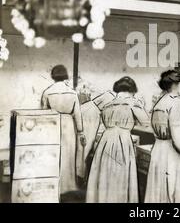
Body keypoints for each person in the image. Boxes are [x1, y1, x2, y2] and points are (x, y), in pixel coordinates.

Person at [86, 77, 149, 203]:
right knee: (120, 176)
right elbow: (146, 122)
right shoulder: (132, 102)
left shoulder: (108, 104)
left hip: (106, 140)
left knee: (105, 173)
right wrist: (141, 105)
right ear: (132, 90)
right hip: (123, 140)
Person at [144, 70, 180, 203]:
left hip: (158, 151)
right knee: (179, 193)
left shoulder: (159, 101)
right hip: (172, 153)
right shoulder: (176, 102)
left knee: (159, 193)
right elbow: (179, 140)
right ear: (175, 85)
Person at [41, 65, 86, 197]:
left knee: (53, 155)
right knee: (68, 156)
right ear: (65, 75)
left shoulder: (47, 92)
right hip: (68, 126)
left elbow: (44, 113)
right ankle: (67, 186)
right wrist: (81, 132)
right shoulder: (72, 93)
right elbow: (78, 114)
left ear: (53, 76)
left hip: (52, 124)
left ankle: (53, 186)